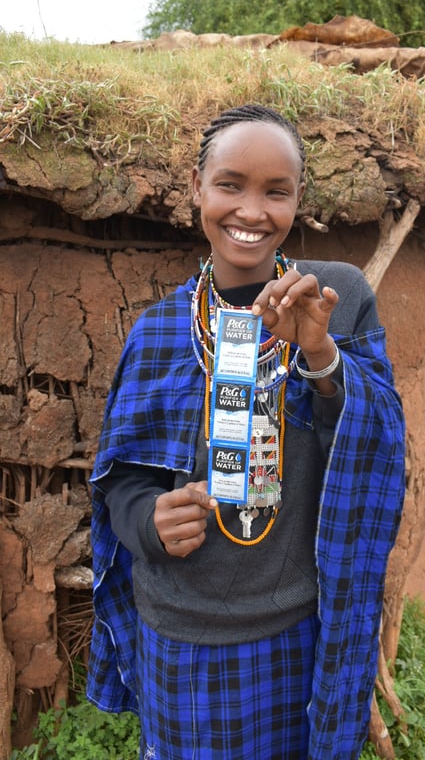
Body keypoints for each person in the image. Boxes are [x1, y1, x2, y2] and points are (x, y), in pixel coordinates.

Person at [88, 103, 406, 760]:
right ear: (196, 188)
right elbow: (118, 480)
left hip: (292, 630)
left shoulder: (333, 301)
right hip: (176, 632)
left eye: (276, 190)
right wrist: (148, 519)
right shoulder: (160, 331)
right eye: (230, 184)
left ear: (298, 201)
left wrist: (321, 358)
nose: (252, 210)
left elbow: (380, 448)